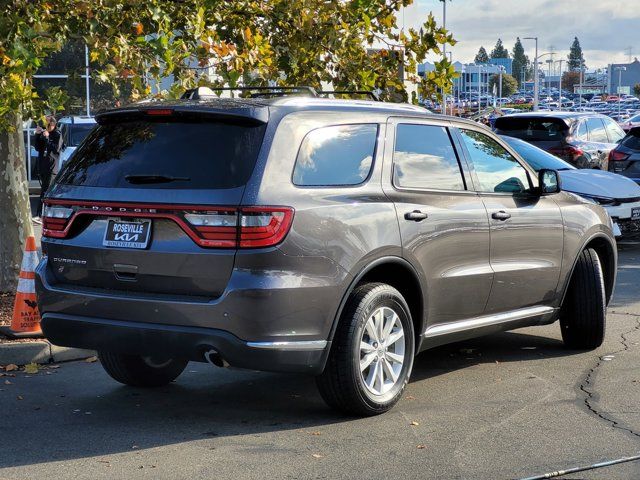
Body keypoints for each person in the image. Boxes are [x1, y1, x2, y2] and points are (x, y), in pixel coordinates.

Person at [34, 116, 62, 220]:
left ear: (54, 125)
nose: (47, 127)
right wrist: (37, 135)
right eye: (45, 124)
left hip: (52, 167)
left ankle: (40, 214)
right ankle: (43, 213)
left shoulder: (57, 135)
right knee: (44, 190)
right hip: (42, 165)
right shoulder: (44, 133)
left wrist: (47, 138)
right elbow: (37, 147)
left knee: (46, 190)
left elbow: (56, 149)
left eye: (49, 125)